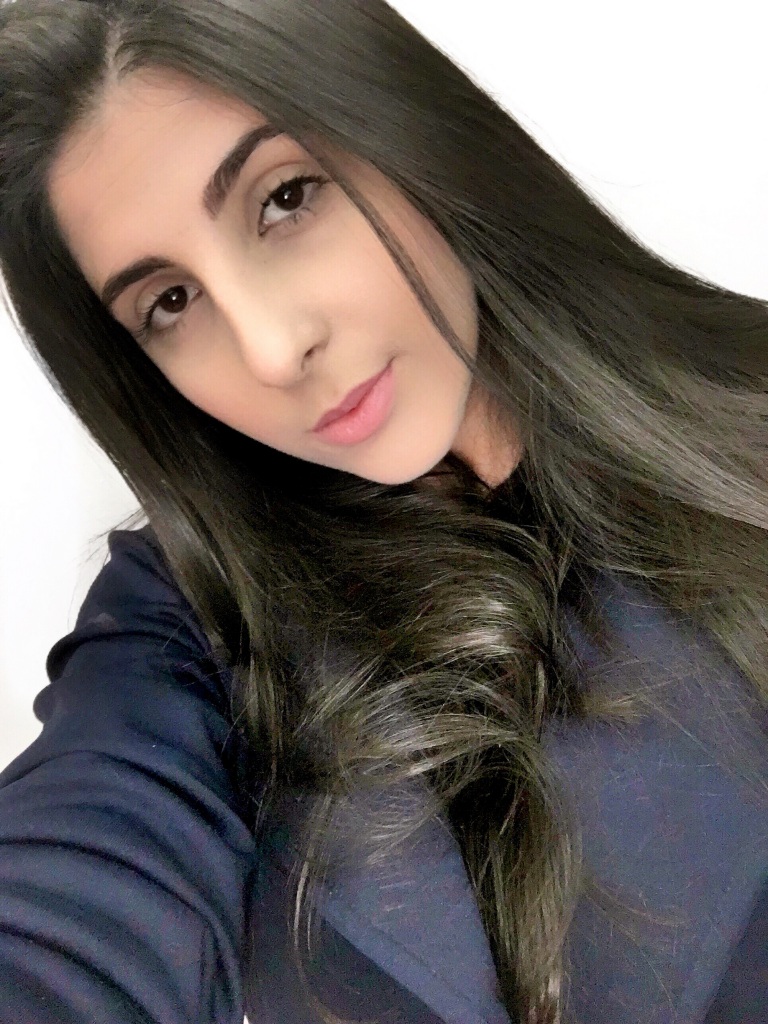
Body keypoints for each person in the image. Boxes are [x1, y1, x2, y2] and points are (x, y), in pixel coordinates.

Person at [0, 1, 766, 1021]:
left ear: (409, 136)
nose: (273, 349)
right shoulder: (188, 624)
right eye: (169, 304)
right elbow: (82, 877)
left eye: (284, 199)